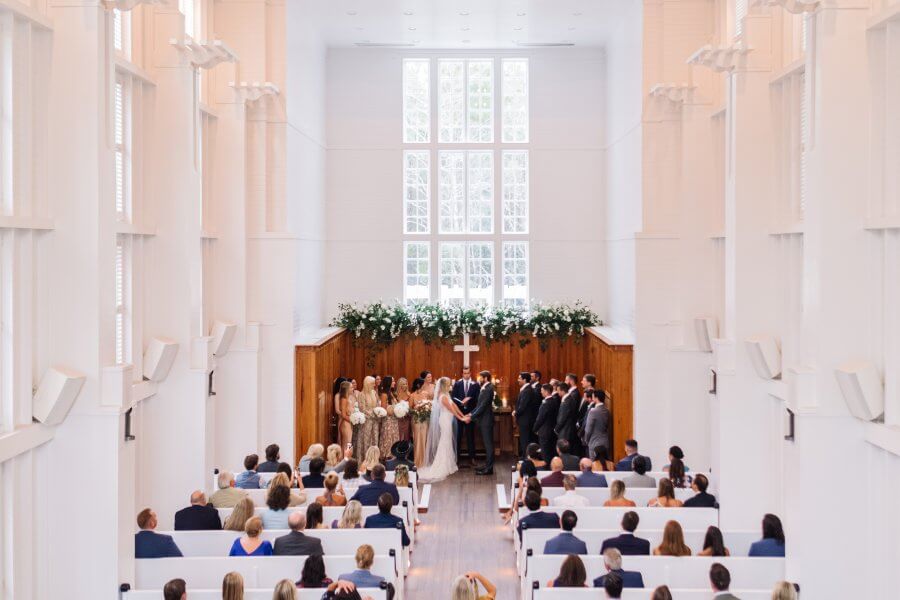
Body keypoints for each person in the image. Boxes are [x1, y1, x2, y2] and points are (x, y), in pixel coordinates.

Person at [419, 376, 470, 482]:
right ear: (443, 385)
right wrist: (462, 419)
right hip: (445, 420)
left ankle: (449, 464)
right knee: (445, 441)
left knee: (447, 441)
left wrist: (463, 415)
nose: (450, 385)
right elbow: (451, 410)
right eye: (448, 384)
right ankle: (443, 465)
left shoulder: (447, 395)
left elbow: (455, 406)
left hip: (448, 420)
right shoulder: (442, 396)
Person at [452, 366, 480, 466]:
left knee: (470, 436)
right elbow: (453, 397)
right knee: (458, 436)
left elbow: (478, 399)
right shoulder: (457, 384)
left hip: (470, 414)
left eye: (468, 373)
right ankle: (457, 458)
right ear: (462, 374)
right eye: (464, 373)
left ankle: (472, 458)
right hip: (459, 414)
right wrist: (461, 403)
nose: (466, 375)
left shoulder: (475, 385)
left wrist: (469, 401)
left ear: (470, 373)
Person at [471, 370, 496, 475]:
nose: (478, 379)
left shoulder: (489, 388)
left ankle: (489, 469)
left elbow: (483, 405)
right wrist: (470, 413)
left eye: (480, 377)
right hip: (483, 420)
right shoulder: (485, 387)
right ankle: (487, 465)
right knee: (487, 445)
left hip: (486, 420)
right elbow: (478, 405)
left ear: (485, 378)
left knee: (488, 445)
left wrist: (472, 416)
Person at [513, 371, 540, 457]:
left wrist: (515, 412)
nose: (518, 380)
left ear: (524, 380)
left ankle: (526, 461)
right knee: (524, 441)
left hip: (526, 421)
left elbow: (523, 406)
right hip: (525, 420)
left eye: (519, 378)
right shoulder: (526, 389)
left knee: (525, 442)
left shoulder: (527, 390)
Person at [356, 377, 381, 462]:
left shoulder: (374, 392)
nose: (374, 385)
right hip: (366, 421)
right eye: (372, 383)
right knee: (366, 441)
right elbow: (362, 408)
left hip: (375, 420)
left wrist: (378, 412)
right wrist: (372, 414)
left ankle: (374, 461)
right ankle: (365, 462)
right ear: (367, 384)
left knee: (375, 440)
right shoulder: (361, 394)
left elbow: (378, 404)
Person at [533, 383, 560, 462]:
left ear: (546, 391)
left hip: (544, 432)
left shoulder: (546, 404)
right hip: (551, 431)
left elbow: (540, 419)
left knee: (545, 453)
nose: (540, 392)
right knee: (551, 452)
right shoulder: (554, 401)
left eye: (541, 390)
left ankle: (546, 470)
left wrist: (534, 428)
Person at [581, 389, 610, 459]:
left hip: (594, 442)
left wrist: (586, 440)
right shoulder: (606, 410)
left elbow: (588, 430)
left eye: (593, 396)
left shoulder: (593, 411)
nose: (592, 398)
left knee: (595, 465)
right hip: (605, 441)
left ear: (596, 398)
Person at [378, 376, 401, 458]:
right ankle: (387, 456)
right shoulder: (384, 394)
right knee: (388, 437)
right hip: (388, 420)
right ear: (388, 383)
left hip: (394, 420)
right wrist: (393, 409)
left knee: (394, 437)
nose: (394, 383)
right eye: (393, 381)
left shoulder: (392, 393)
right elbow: (383, 409)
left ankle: (394, 455)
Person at [553, 382, 578, 456]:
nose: (557, 392)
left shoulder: (566, 401)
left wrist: (556, 429)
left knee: (564, 453)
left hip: (565, 431)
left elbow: (562, 418)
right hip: (568, 429)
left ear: (563, 390)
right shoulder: (569, 399)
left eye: (558, 390)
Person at [410, 377, 430, 467]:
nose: (425, 386)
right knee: (417, 440)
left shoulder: (426, 394)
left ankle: (425, 461)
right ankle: (418, 461)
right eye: (423, 384)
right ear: (419, 385)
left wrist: (427, 408)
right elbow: (410, 409)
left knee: (424, 439)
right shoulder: (412, 395)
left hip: (424, 419)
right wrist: (416, 408)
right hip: (416, 420)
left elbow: (430, 404)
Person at [338, 380, 355, 450]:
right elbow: (343, 415)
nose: (353, 389)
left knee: (349, 444)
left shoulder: (348, 398)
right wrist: (353, 420)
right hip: (346, 424)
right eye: (351, 388)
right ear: (346, 389)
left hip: (349, 423)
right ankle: (345, 459)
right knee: (347, 444)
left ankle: (347, 459)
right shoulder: (344, 399)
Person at [395, 376, 412, 441]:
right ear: (400, 385)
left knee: (406, 435)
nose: (406, 385)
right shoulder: (395, 395)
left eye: (406, 384)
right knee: (398, 435)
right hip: (397, 419)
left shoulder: (409, 395)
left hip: (406, 419)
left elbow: (410, 407)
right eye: (403, 384)